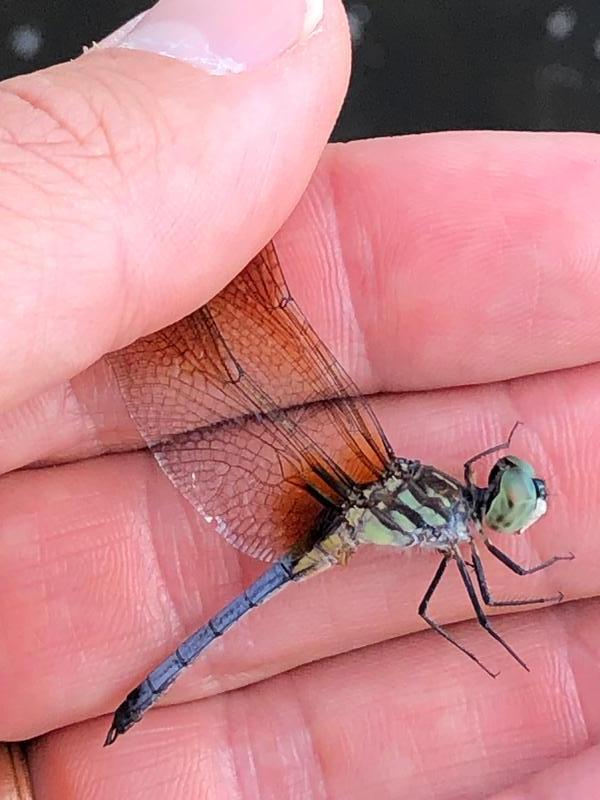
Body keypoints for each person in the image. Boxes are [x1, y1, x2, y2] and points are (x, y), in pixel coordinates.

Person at [0, 1, 596, 797]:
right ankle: (142, 696)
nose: (500, 496)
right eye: (506, 495)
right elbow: (468, 606)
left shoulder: (441, 503)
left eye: (503, 494)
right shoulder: (460, 527)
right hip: (336, 512)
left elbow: (464, 602)